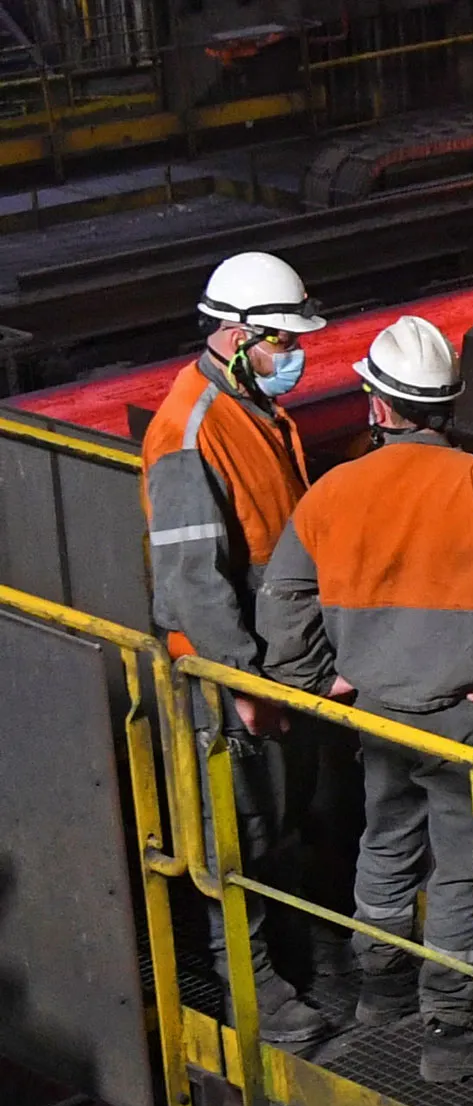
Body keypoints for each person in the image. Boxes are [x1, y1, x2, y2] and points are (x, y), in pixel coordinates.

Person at [257, 314, 473, 1082]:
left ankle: (381, 991)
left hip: (379, 712)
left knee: (388, 844)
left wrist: (309, 682)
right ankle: (451, 1037)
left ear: (378, 406)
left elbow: (284, 596)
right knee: (462, 868)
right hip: (467, 717)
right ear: (447, 407)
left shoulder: (332, 491)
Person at [140, 251, 337, 1043]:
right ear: (233, 335)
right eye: (280, 343)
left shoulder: (254, 410)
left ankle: (293, 956)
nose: (294, 357)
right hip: (226, 674)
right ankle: (255, 991)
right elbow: (193, 582)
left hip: (274, 661)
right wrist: (243, 685)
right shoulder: (189, 433)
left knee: (285, 821)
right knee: (240, 833)